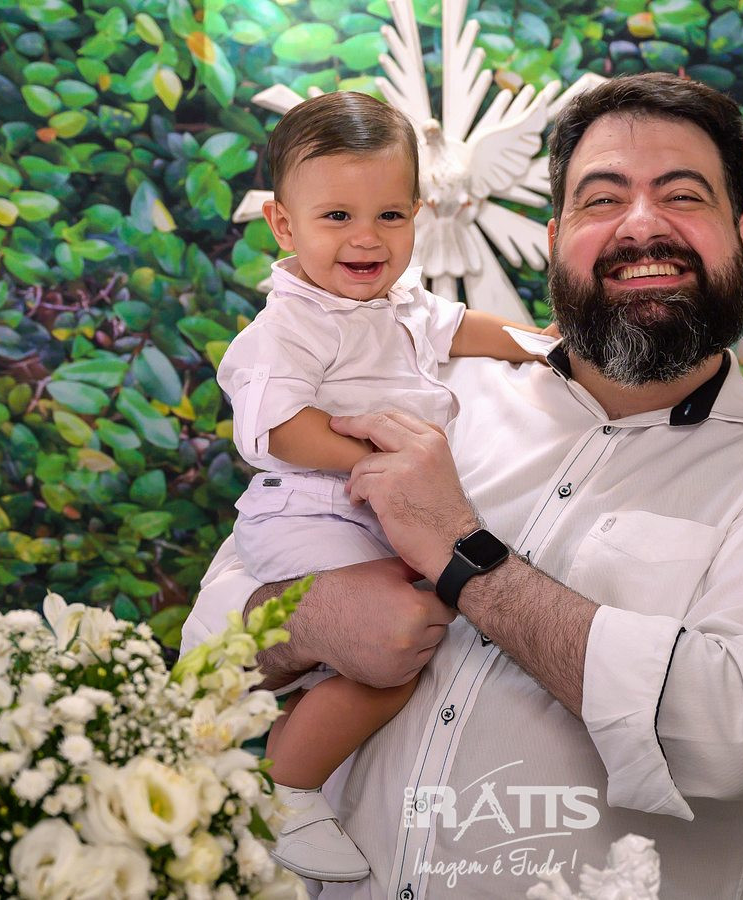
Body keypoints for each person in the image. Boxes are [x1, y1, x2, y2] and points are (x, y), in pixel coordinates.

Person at [183, 72, 743, 898]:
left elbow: (737, 740)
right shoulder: (426, 399)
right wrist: (311, 618)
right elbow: (203, 657)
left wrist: (460, 550)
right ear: (554, 239)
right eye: (601, 199)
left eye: (682, 195)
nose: (642, 224)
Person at [215, 91, 547, 883]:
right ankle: (284, 788)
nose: (366, 238)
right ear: (283, 225)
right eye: (336, 217)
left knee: (424, 626)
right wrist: (369, 462)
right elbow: (278, 429)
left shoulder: (400, 303)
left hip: (372, 511)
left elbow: (461, 327)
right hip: (310, 510)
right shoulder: (289, 325)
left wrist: (542, 346)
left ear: (417, 216)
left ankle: (301, 764)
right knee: (393, 653)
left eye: (389, 216)